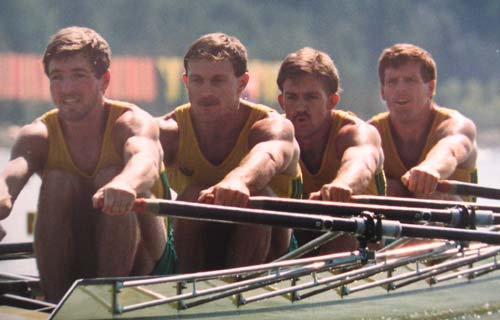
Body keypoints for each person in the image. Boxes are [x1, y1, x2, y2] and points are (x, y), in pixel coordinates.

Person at [0, 26, 173, 302]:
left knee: (111, 174)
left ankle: (106, 300)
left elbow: (146, 161)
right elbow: (6, 185)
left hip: (146, 264)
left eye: (78, 76)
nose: (66, 88)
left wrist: (123, 184)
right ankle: (57, 303)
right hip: (81, 254)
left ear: (104, 80)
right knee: (57, 181)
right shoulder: (38, 134)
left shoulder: (130, 122)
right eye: (57, 77)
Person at [158, 33, 302, 272]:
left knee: (256, 195)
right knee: (193, 194)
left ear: (242, 83)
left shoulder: (271, 126)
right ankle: (184, 284)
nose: (206, 92)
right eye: (197, 81)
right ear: (186, 82)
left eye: (217, 81)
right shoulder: (170, 130)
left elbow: (268, 155)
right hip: (196, 242)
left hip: (273, 252)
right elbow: (136, 153)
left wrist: (237, 181)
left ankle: (237, 285)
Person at [277, 47, 385, 254]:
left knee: (343, 215)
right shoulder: (274, 133)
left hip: (360, 243)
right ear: (281, 101)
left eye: (311, 97)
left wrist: (342, 185)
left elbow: (361, 161)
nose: (300, 107)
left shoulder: (357, 132)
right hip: (297, 237)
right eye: (292, 97)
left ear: (332, 101)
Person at [369, 43, 477, 200]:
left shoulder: (456, 126)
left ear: (431, 87)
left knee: (429, 191)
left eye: (410, 80)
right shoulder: (371, 132)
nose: (400, 89)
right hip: (395, 218)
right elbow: (358, 162)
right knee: (390, 189)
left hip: (453, 219)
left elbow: (449, 150)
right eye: (392, 81)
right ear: (382, 92)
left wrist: (430, 168)